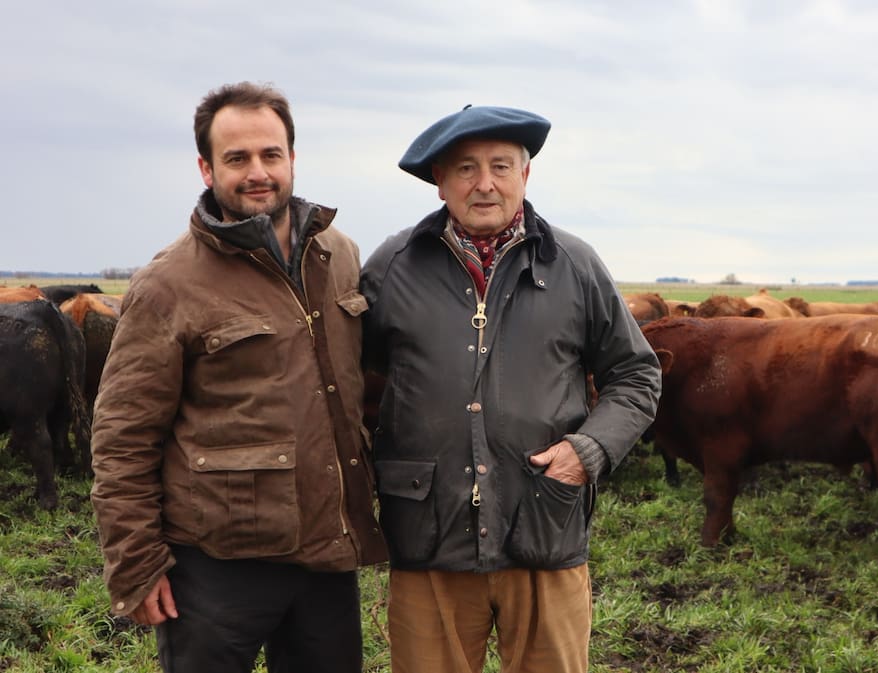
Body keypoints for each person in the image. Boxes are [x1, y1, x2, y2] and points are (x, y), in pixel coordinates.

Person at [90, 81, 388, 673]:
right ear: (206, 169)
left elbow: (368, 387)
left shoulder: (338, 254)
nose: (258, 172)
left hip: (325, 558)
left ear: (292, 158)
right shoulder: (169, 284)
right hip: (214, 567)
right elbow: (123, 437)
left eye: (271, 154)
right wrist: (137, 564)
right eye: (237, 158)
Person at [361, 105, 661, 673]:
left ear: (525, 174)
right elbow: (348, 376)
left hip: (544, 522)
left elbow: (636, 373)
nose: (484, 183)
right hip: (428, 534)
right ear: (439, 181)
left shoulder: (574, 265)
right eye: (465, 168)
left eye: (501, 166)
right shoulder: (393, 267)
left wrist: (587, 451)